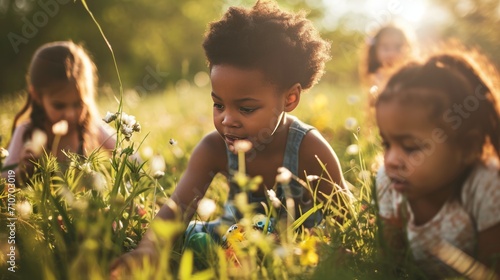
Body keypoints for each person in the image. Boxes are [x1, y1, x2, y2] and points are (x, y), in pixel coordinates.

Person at [111, 0, 351, 275]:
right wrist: (148, 250)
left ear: (290, 98)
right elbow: (178, 208)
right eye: (219, 105)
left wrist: (329, 249)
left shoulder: (310, 148)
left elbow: (344, 218)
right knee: (188, 236)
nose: (227, 120)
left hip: (295, 244)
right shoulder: (213, 148)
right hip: (230, 238)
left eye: (246, 108)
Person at [375, 49, 500, 278]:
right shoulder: (389, 182)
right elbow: (393, 266)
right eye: (386, 144)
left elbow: (489, 271)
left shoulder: (486, 185)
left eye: (411, 147)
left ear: (468, 147)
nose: (391, 160)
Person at [2, 41, 116, 184]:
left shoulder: (91, 127)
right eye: (59, 105)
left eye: (78, 104)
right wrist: (22, 171)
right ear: (37, 96)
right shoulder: (26, 132)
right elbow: (5, 178)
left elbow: (129, 157)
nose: (70, 114)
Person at [360, 24, 415, 103]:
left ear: (408, 49)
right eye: (385, 48)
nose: (391, 54)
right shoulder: (376, 77)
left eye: (398, 47)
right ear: (374, 50)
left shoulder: (411, 76)